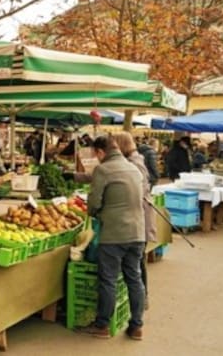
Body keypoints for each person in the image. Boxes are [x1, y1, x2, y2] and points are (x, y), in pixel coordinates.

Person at [77, 136, 145, 340]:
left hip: (115, 233)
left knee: (108, 280)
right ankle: (137, 326)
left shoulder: (103, 169)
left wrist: (94, 213)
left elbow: (95, 201)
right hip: (137, 232)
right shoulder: (133, 167)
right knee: (134, 277)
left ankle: (103, 326)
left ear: (100, 152)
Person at [112, 132, 156, 311]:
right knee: (136, 262)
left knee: (136, 264)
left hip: (138, 219)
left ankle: (142, 300)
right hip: (137, 218)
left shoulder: (134, 164)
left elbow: (138, 190)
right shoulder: (134, 161)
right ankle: (141, 299)